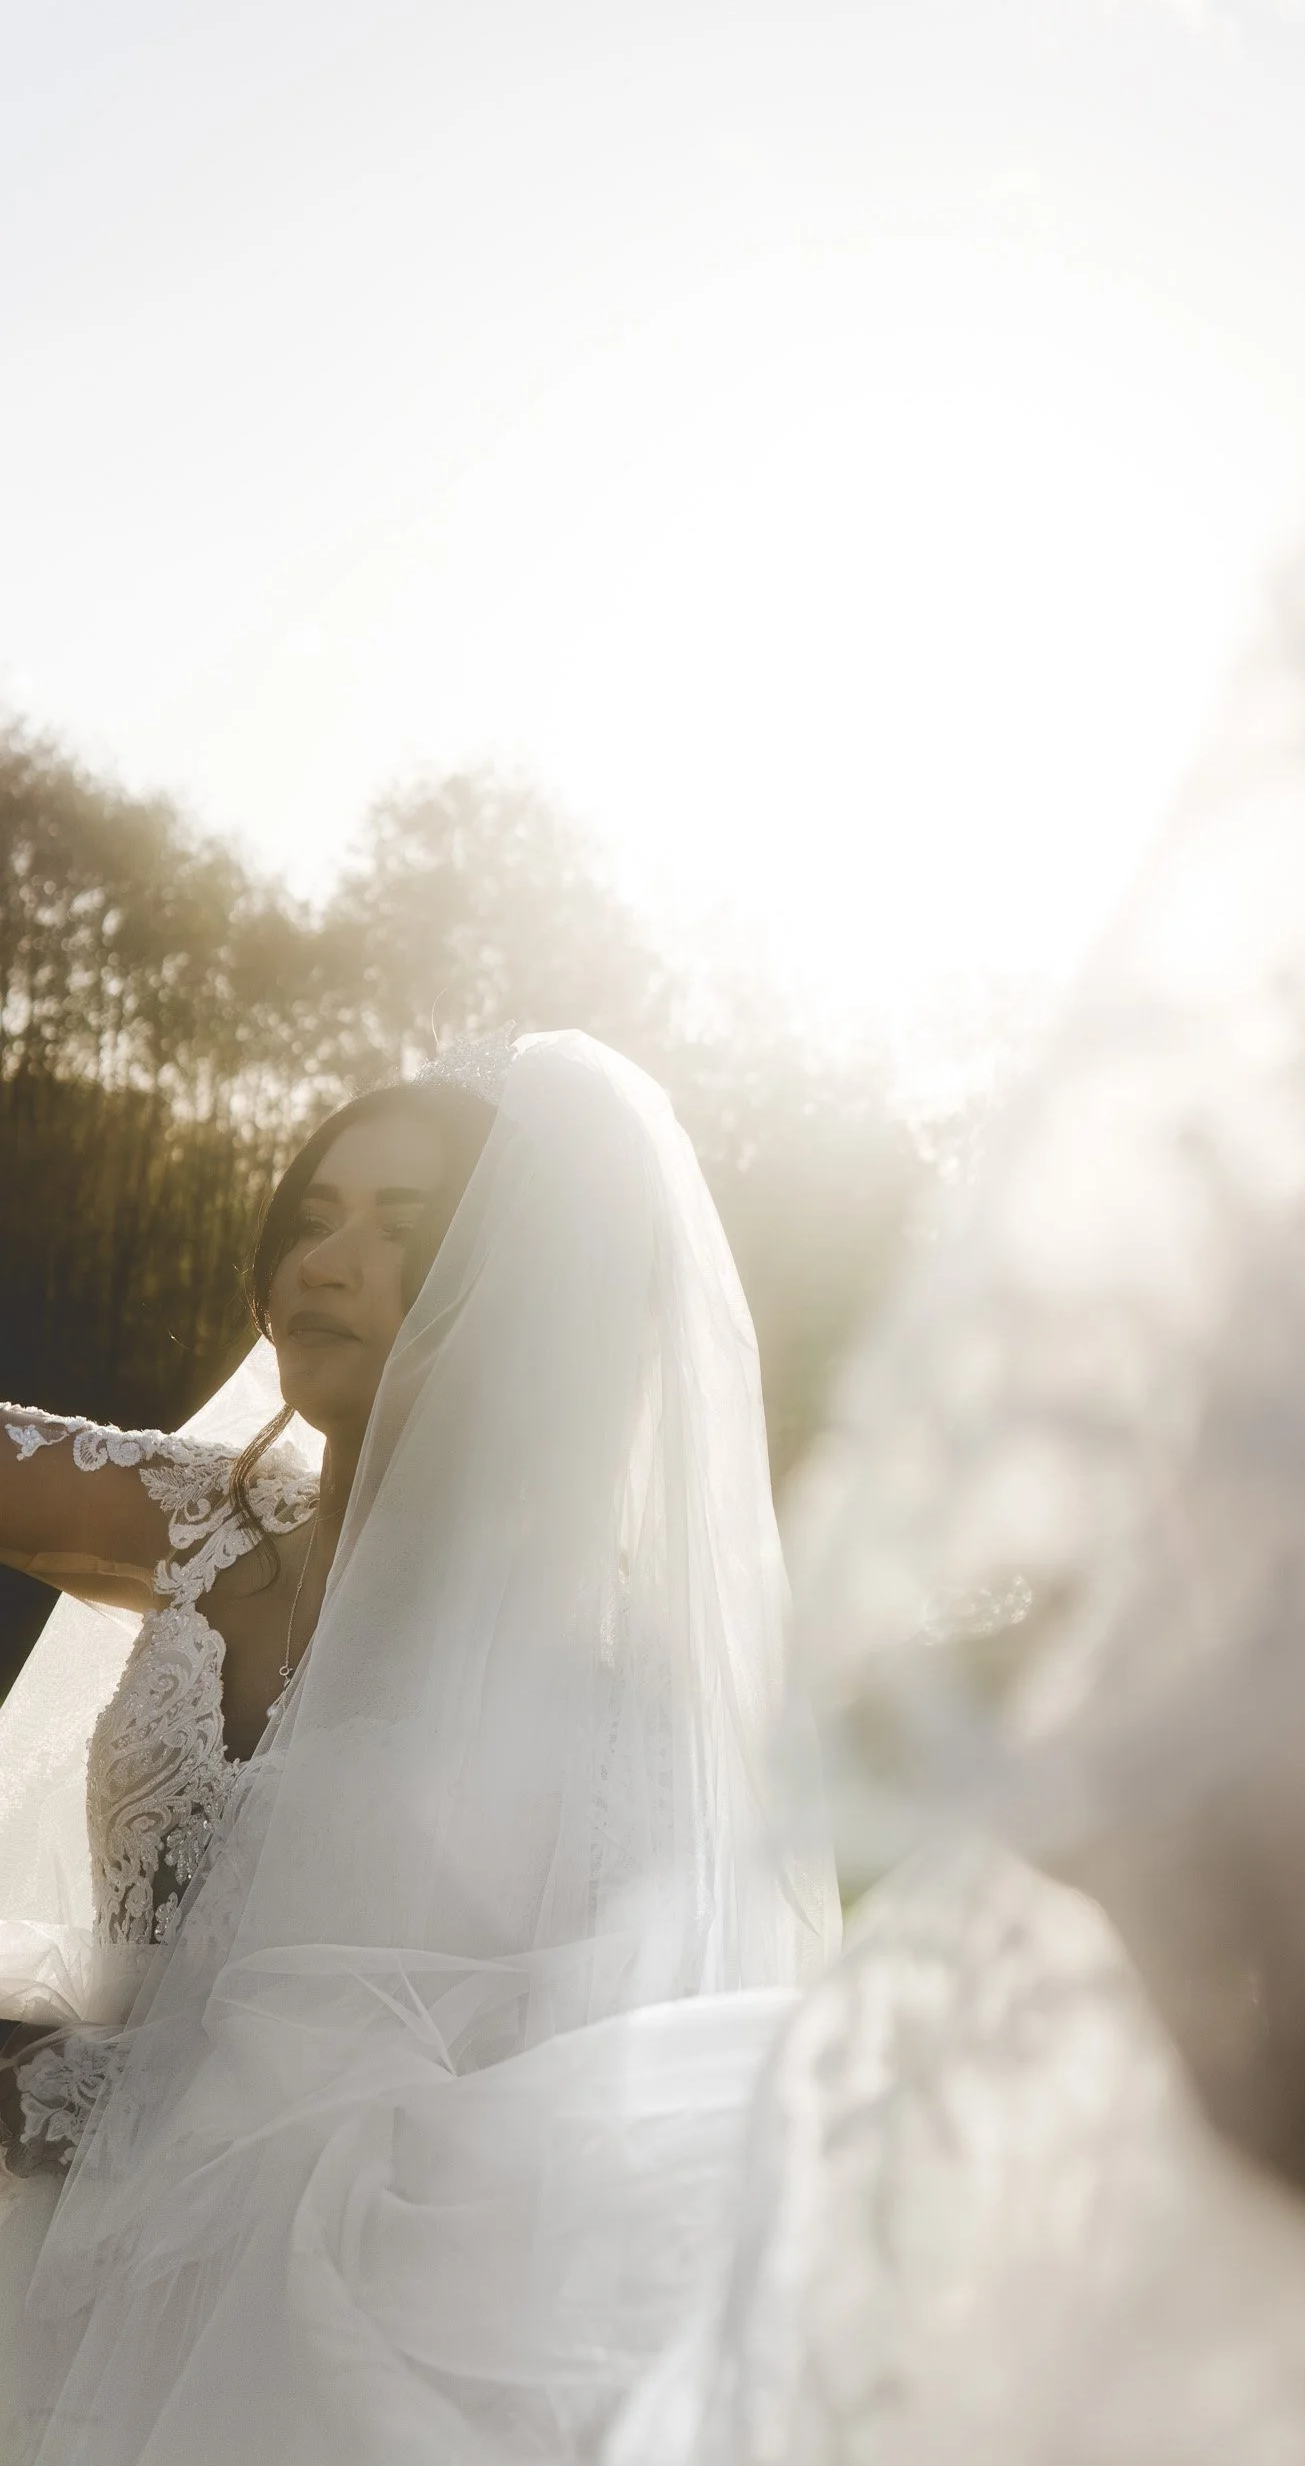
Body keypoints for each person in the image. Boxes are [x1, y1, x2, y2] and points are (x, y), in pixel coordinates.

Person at [0, 1029, 836, 2464]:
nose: (321, 1264)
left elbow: (549, 2136)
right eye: (310, 1219)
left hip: (282, 2357)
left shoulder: (614, 1694)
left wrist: (90, 2099)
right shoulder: (209, 1521)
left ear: (523, 1304)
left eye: (400, 1235)